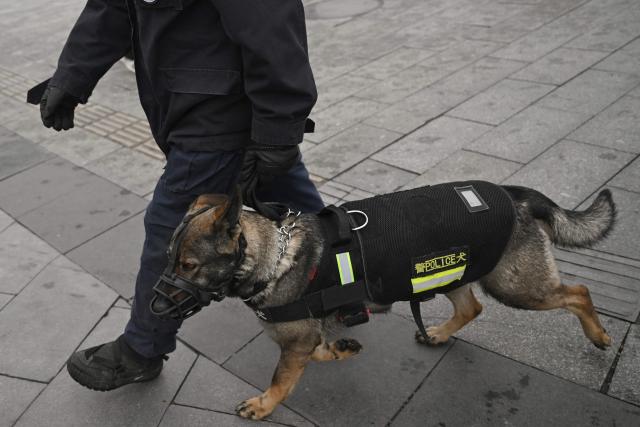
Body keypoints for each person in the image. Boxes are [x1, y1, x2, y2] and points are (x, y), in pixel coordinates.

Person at [35, 0, 323, 391]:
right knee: (294, 202)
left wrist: (278, 127)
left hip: (218, 113)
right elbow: (113, 6)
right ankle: (352, 283)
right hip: (187, 103)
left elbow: (267, 20)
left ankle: (141, 349)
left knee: (172, 231)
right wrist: (71, 77)